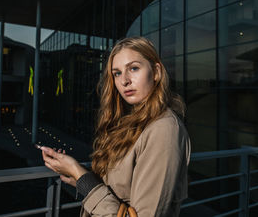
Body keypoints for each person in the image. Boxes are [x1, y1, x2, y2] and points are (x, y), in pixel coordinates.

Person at [41, 37, 191, 217]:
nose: (125, 80)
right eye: (117, 73)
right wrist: (80, 180)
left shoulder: (164, 128)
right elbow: (122, 190)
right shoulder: (132, 123)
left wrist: (79, 174)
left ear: (156, 72)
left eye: (134, 68)